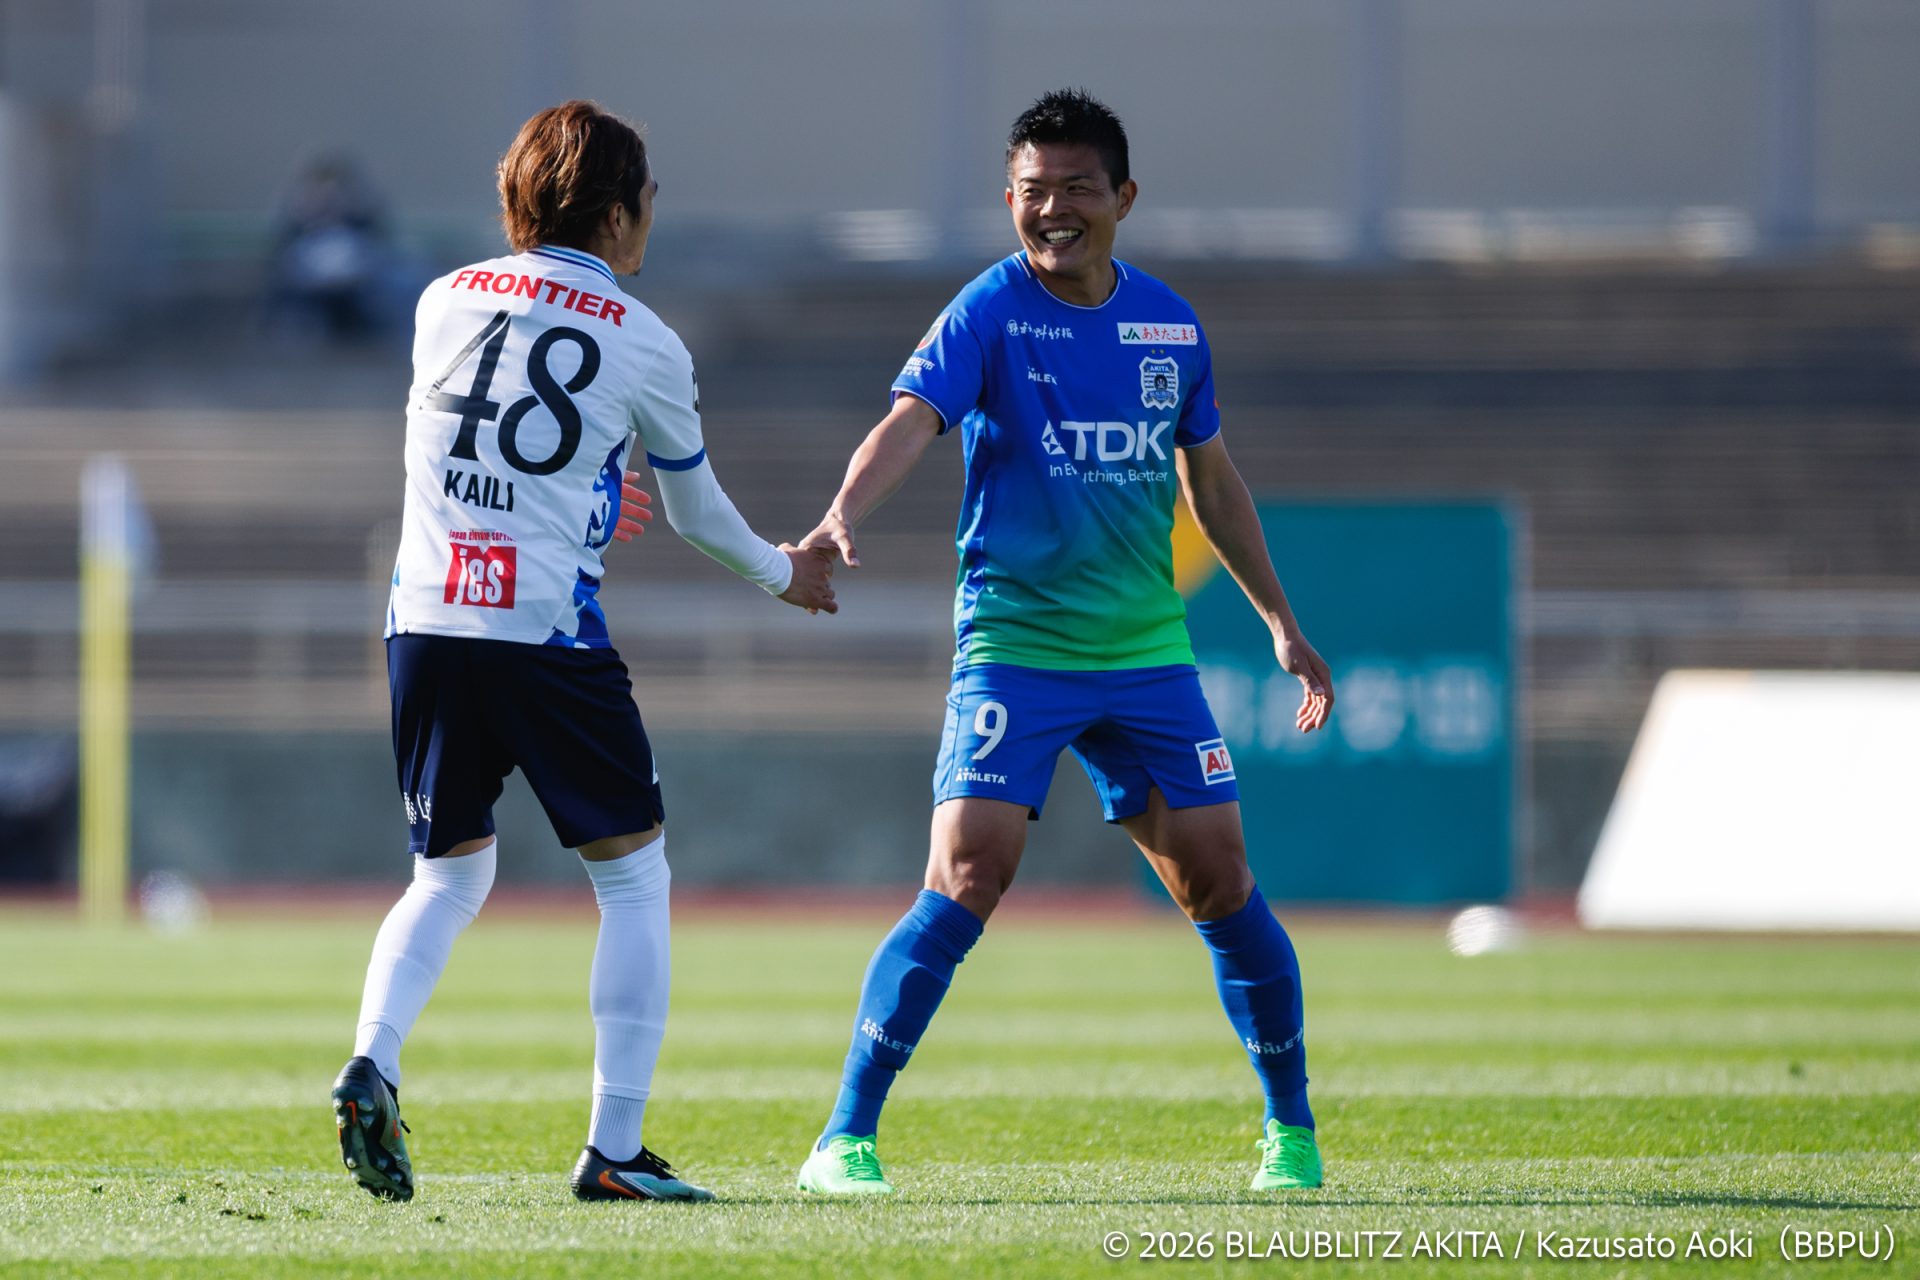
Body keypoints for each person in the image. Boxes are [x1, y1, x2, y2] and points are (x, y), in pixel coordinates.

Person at [793, 89, 1335, 1196]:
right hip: (1015, 646)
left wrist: (1281, 622)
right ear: (1009, 200)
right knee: (968, 871)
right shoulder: (989, 310)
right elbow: (909, 420)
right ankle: (844, 1139)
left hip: (1145, 655)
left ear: (1123, 197)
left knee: (1220, 880)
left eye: (1076, 188)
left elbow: (1213, 484)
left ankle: (1292, 1131)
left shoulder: (1170, 326)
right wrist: (842, 511)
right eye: (1032, 192)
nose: (1053, 211)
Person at [331, 100, 836, 1204]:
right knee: (634, 876)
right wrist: (786, 572)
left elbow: (479, 444)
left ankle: (374, 1057)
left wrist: (592, 490)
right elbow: (699, 515)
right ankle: (615, 1147)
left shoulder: (440, 298)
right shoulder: (646, 340)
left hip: (424, 622)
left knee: (447, 874)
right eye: (646, 200)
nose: (650, 218)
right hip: (543, 633)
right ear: (615, 214)